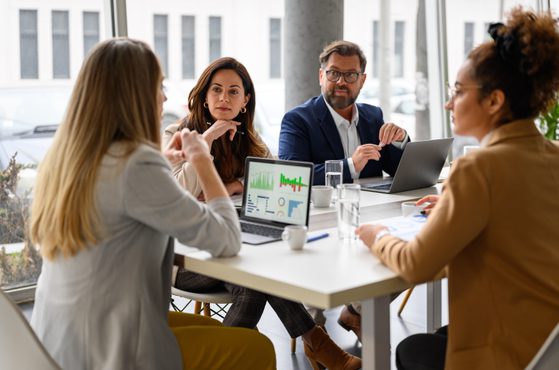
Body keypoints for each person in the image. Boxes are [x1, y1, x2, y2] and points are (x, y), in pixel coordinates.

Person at [29, 38, 275, 370]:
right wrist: (202, 160)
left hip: (63, 337)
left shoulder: (67, 158)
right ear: (134, 95)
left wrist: (161, 161)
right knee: (257, 348)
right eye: (158, 86)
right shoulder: (136, 164)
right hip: (114, 349)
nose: (165, 97)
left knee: (218, 330)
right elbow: (227, 239)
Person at [356, 8, 559, 370]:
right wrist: (456, 205)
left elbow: (415, 264)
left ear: (494, 101)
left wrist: (377, 234)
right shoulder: (552, 155)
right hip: (546, 342)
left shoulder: (479, 166)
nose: (449, 103)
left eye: (459, 92)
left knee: (412, 350)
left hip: (505, 354)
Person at [164, 57, 361, 370]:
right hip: (187, 257)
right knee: (258, 279)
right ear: (204, 96)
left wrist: (235, 184)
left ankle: (236, 357)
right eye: (216, 90)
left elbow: (274, 177)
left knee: (256, 278)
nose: (223, 98)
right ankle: (317, 345)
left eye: (233, 92)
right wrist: (208, 140)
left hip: (236, 245)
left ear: (245, 101)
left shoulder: (251, 141)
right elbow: (172, 192)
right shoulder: (179, 135)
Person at [278, 39, 410, 340]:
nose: (341, 82)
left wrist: (402, 139)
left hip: (371, 219)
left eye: (350, 75)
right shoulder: (298, 120)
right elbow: (293, 177)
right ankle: (328, 323)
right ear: (321, 75)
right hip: (321, 226)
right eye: (334, 73)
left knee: (410, 249)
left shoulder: (373, 116)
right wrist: (350, 164)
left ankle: (356, 311)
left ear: (362, 80)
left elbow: (400, 168)